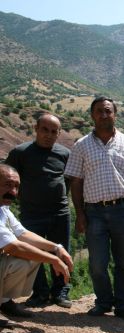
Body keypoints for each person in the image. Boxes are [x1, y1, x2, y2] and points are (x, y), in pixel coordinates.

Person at [64, 96, 124, 321]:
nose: (104, 115)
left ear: (115, 114)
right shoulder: (81, 145)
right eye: (99, 111)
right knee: (98, 263)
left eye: (108, 111)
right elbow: (76, 182)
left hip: (123, 210)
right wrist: (80, 214)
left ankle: (123, 305)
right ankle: (103, 302)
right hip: (94, 213)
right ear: (92, 115)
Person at [5, 113, 72, 310]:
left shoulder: (64, 154)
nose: (49, 135)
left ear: (59, 133)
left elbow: (69, 180)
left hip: (59, 213)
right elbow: (7, 178)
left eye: (54, 131)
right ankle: (40, 293)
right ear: (36, 129)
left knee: (60, 251)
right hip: (31, 213)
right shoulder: (20, 153)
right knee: (33, 254)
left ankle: (60, 291)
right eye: (45, 130)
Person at [0, 164, 73, 328]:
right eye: (7, 185)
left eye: (16, 187)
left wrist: (56, 248)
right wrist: (53, 260)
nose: (12, 192)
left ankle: (3, 302)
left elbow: (23, 234)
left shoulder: (3, 209)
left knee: (32, 257)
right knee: (27, 256)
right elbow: (14, 247)